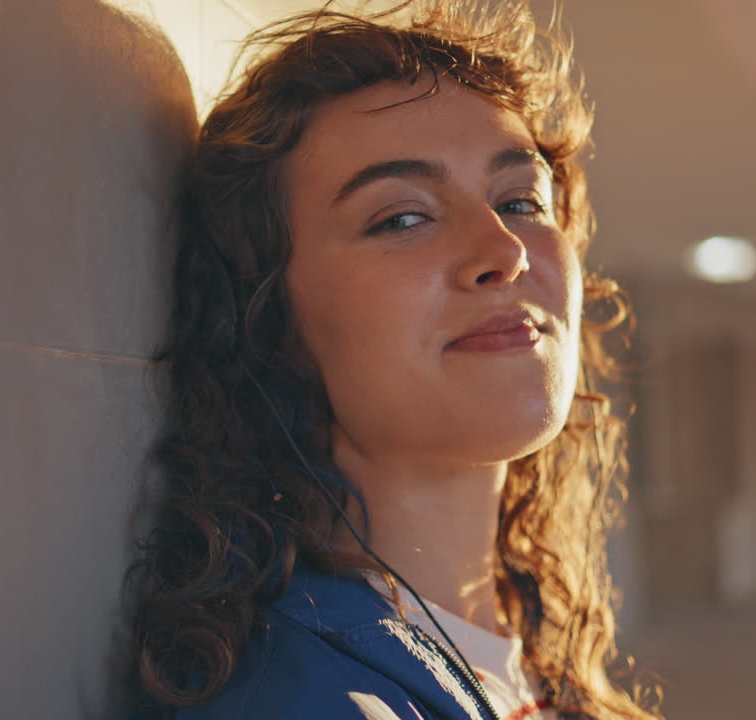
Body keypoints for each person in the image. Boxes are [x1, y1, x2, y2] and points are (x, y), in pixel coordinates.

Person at [123, 2, 659, 718]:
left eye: (522, 201)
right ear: (270, 317)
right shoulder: (299, 697)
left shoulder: (524, 654)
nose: (504, 250)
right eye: (402, 217)